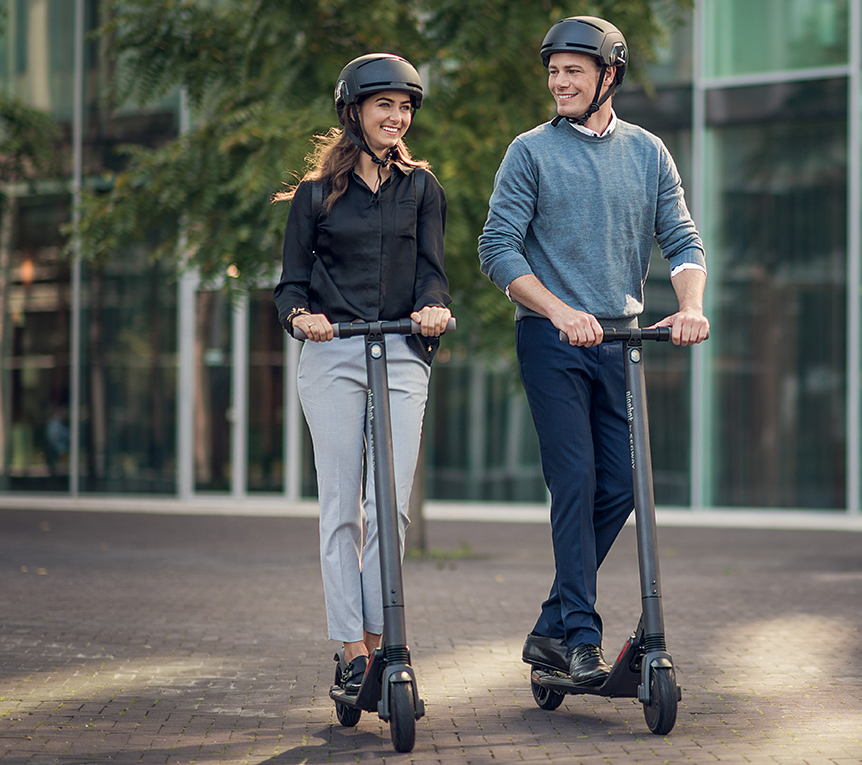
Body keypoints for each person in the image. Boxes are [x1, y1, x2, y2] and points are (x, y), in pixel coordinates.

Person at [478, 16, 709, 686]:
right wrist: (558, 309)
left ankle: (550, 624)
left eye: (573, 70)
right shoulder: (529, 151)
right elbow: (498, 249)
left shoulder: (648, 153)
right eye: (553, 71)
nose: (559, 82)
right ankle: (581, 634)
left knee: (624, 484)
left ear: (610, 75)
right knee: (575, 480)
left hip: (622, 342)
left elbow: (684, 241)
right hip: (552, 339)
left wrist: (690, 306)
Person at [273, 53, 451, 696]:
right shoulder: (316, 197)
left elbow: (433, 269)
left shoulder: (423, 189)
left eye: (405, 107)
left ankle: (382, 644)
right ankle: (351, 648)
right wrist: (302, 318)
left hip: (401, 350)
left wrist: (434, 307)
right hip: (334, 354)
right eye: (385, 106)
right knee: (341, 508)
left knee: (391, 508)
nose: (398, 117)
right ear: (355, 113)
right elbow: (289, 285)